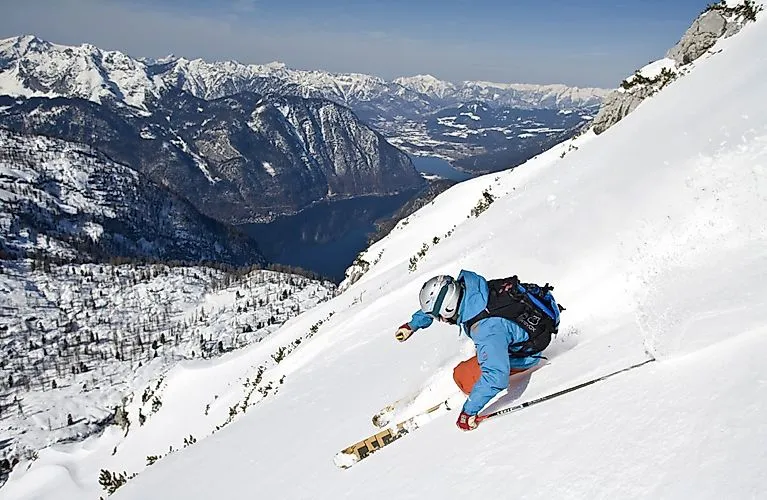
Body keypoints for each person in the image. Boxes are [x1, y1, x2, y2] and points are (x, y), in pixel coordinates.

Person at [394, 270, 560, 431]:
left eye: (439, 317)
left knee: (464, 376)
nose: (440, 320)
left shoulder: (486, 329)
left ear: (449, 309)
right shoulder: (471, 292)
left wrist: (468, 413)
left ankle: (471, 395)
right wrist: (413, 324)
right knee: (482, 355)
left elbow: (496, 377)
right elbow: (440, 302)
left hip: (526, 351)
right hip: (528, 320)